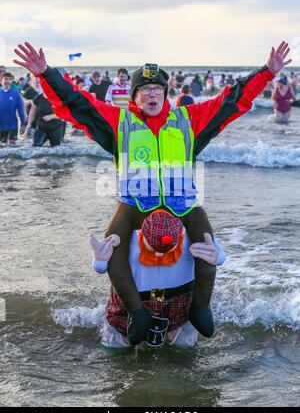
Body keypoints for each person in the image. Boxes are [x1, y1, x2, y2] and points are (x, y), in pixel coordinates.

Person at [13, 40, 291, 345]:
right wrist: (45, 74)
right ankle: (135, 313)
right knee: (114, 249)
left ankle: (199, 309)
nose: (152, 93)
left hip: (182, 208)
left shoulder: (189, 121)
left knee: (206, 244)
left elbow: (232, 100)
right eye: (144, 89)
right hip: (134, 209)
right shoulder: (120, 124)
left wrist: (267, 72)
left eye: (158, 88)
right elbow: (77, 103)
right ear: (134, 95)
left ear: (166, 92)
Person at [89, 209, 226, 348]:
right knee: (117, 347)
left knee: (183, 349)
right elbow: (110, 260)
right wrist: (100, 261)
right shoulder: (129, 215)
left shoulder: (190, 212)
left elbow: (210, 245)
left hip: (178, 302)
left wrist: (218, 256)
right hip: (133, 299)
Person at [25, 79, 65, 146]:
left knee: (55, 150)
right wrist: (29, 124)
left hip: (56, 128)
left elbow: (64, 113)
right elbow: (32, 112)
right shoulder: (38, 98)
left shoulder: (58, 98)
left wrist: (51, 116)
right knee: (35, 148)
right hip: (41, 128)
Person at [0, 72, 26, 145]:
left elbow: (20, 110)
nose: (7, 81)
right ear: (1, 80)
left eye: (9, 79)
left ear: (11, 81)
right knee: (2, 145)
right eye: (5, 79)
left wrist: (23, 124)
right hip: (1, 124)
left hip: (12, 124)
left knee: (12, 145)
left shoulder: (15, 93)